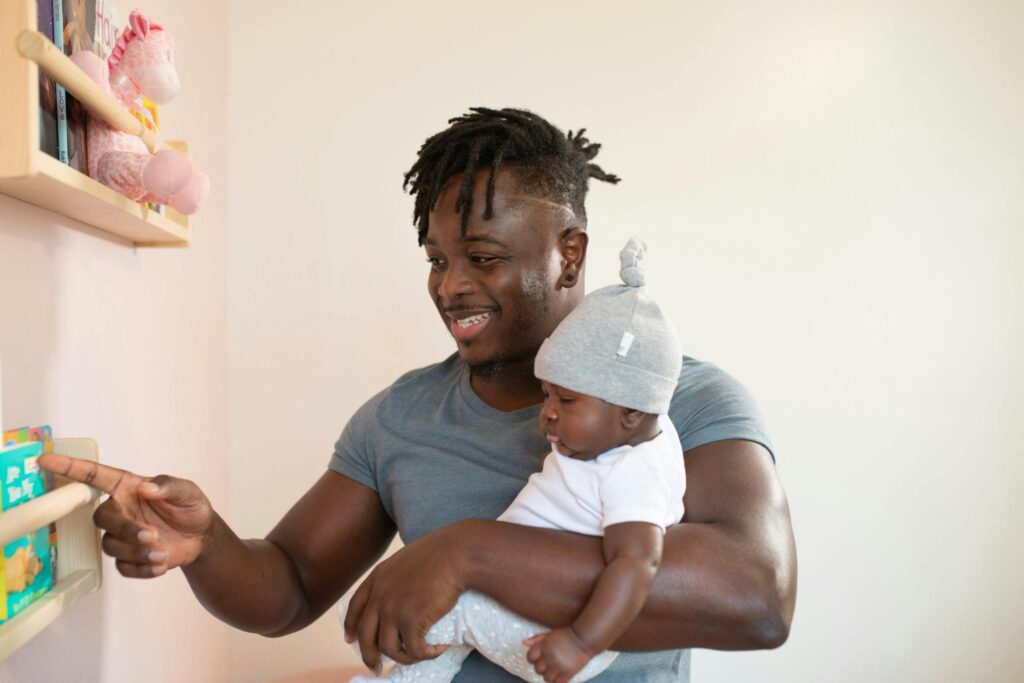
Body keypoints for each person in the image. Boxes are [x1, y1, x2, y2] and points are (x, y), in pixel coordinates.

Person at [39, 108, 797, 683]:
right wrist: (205, 543)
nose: (451, 285)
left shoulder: (681, 401)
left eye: (483, 257)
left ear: (569, 255)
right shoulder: (400, 417)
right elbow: (290, 586)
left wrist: (468, 553)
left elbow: (757, 597)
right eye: (437, 259)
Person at [355, 237, 685, 683]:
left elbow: (637, 564)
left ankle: (370, 629)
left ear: (632, 412)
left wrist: (581, 642)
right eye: (547, 394)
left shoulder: (635, 473)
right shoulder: (627, 431)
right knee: (444, 626)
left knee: (427, 607)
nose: (547, 412)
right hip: (518, 606)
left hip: (554, 633)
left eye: (567, 400)